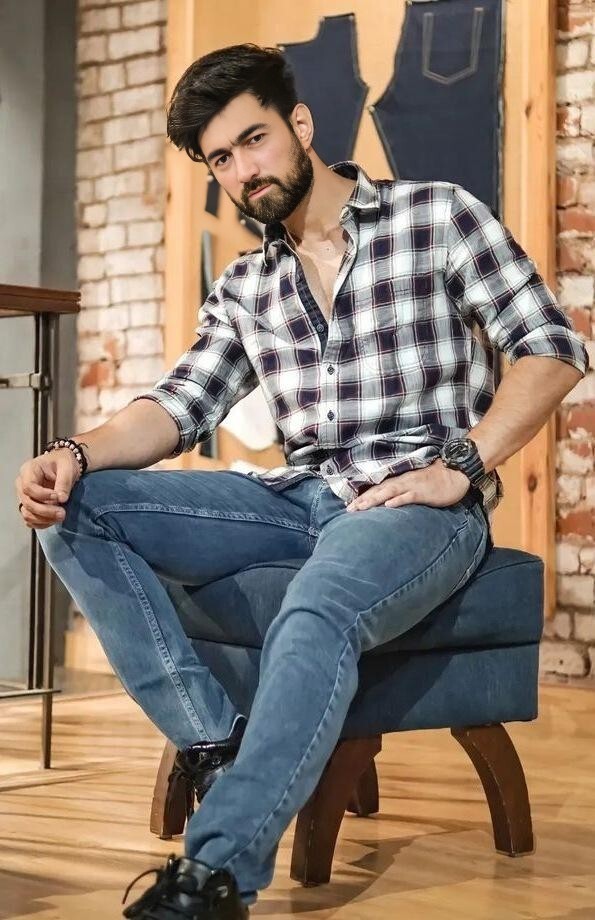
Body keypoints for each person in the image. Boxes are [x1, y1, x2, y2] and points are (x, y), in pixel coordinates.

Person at [15, 43, 588, 920]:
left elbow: (550, 347)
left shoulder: (436, 216)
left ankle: (215, 875)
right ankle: (215, 742)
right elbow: (176, 406)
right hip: (299, 497)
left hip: (412, 501)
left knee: (316, 606)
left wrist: (463, 464)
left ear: (301, 125)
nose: (243, 170)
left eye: (254, 140)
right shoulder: (246, 284)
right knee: (72, 508)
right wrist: (76, 452)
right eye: (220, 159)